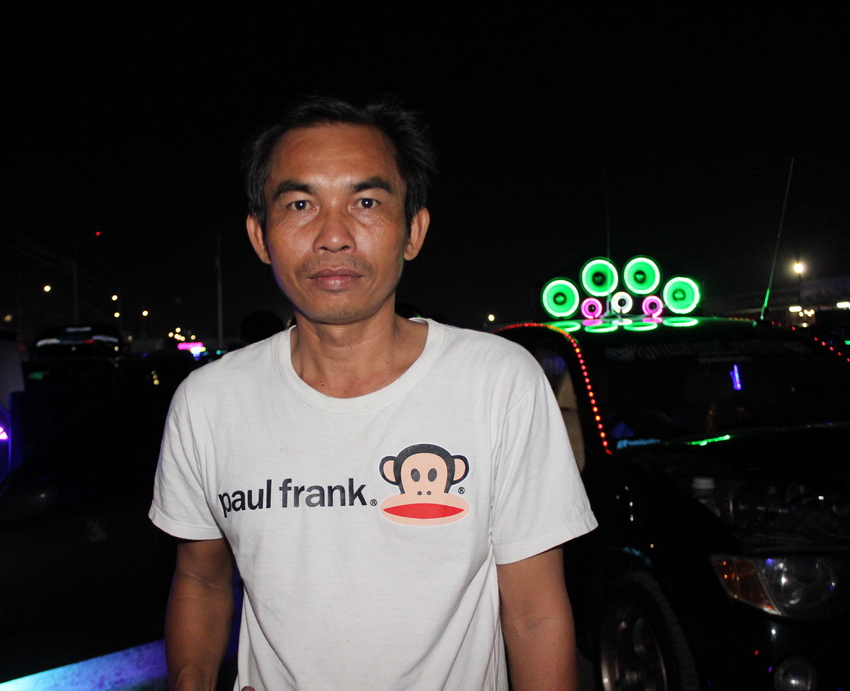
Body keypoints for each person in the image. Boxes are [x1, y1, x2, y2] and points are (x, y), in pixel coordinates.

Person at [149, 96, 597, 690]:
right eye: (301, 204)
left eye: (365, 202)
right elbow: (200, 578)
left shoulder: (498, 383)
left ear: (414, 230)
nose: (334, 236)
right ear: (260, 235)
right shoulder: (208, 403)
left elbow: (535, 613)